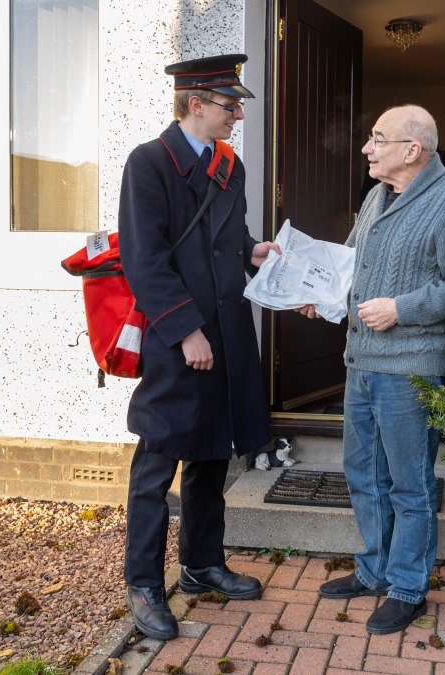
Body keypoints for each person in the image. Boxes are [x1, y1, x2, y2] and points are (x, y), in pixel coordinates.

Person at [300, 104, 445, 635]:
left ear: (413, 150)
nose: (367, 148)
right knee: (364, 475)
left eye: (378, 139)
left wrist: (400, 309)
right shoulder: (376, 196)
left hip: (410, 368)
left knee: (410, 485)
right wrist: (324, 295)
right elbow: (355, 264)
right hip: (361, 360)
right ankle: (373, 570)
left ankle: (407, 587)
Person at [117, 53, 280, 641]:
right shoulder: (149, 163)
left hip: (226, 333)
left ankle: (202, 565)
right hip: (176, 337)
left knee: (213, 453)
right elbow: (145, 257)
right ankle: (143, 583)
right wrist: (186, 330)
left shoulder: (226, 165)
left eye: (236, 106)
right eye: (228, 105)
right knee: (158, 463)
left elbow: (225, 234)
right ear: (195, 104)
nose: (236, 115)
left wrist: (253, 250)